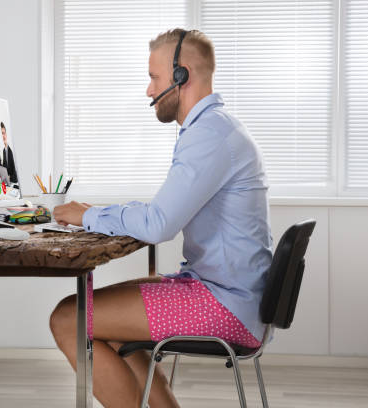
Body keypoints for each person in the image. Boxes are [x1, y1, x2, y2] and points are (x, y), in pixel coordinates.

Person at [50, 28, 273, 408]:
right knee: (106, 322)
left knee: (69, 317)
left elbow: (158, 225)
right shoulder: (217, 128)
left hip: (224, 305)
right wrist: (93, 213)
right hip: (231, 296)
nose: (149, 90)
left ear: (181, 75)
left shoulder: (209, 136)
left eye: (154, 78)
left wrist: (89, 216)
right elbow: (161, 212)